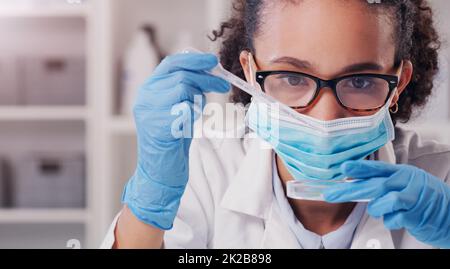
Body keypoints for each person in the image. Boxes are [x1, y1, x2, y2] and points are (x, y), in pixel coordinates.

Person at [102, 0, 450, 249]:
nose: (325, 117)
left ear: (398, 83)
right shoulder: (206, 169)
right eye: (293, 79)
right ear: (252, 74)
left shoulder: (442, 180)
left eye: (359, 82)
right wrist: (149, 201)